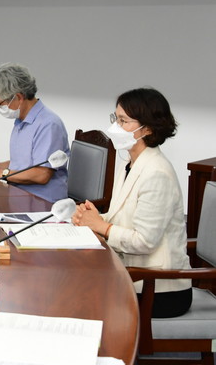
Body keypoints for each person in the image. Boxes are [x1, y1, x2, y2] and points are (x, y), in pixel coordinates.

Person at [72, 87, 191, 318]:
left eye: (123, 121)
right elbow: (123, 218)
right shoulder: (130, 163)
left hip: (158, 288)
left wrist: (101, 226)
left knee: (80, 294)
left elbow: (144, 241)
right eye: (115, 119)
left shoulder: (157, 173)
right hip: (133, 276)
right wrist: (90, 217)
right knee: (73, 283)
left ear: (147, 129)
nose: (115, 127)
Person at [0, 63, 69, 202]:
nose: (0, 108)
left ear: (19, 97)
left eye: (0, 104)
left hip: (42, 203)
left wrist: (1, 173)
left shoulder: (48, 124)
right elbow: (23, 163)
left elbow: (42, 174)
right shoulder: (21, 121)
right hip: (19, 196)